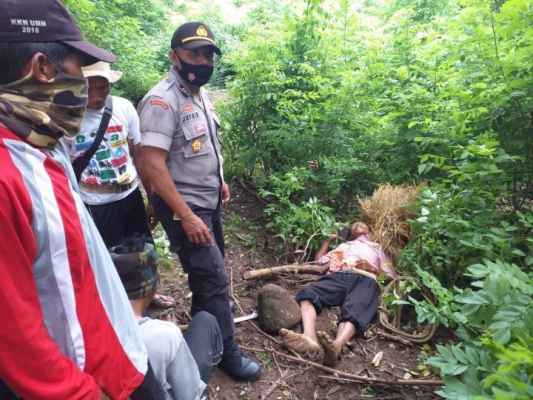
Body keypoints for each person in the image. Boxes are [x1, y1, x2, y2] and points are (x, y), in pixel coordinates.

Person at [0, 1, 165, 398]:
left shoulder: (40, 144)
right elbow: (16, 335)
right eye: (78, 67)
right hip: (83, 379)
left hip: (112, 351)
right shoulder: (8, 176)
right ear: (43, 68)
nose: (85, 86)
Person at [138, 22, 261, 381]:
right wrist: (186, 215)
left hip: (207, 202)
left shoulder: (198, 93)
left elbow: (200, 146)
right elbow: (152, 163)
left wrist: (220, 180)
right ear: (174, 56)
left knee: (208, 277)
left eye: (208, 54)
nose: (203, 61)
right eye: (195, 53)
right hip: (186, 209)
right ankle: (226, 353)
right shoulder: (162, 100)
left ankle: (202, 337)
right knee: (215, 280)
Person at [111, 237, 224, 400]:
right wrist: (173, 336)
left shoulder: (91, 328)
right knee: (205, 320)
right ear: (154, 285)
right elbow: (188, 395)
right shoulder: (164, 335)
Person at [280, 222, 398, 367]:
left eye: (361, 223)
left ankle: (337, 346)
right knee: (308, 293)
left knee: (355, 308)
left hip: (366, 278)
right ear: (351, 233)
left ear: (370, 230)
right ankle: (309, 337)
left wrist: (373, 268)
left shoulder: (377, 248)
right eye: (353, 225)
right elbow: (319, 262)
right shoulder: (344, 246)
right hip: (340, 275)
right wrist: (326, 241)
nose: (357, 224)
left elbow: (391, 276)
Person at [64, 61, 152, 248]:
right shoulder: (67, 118)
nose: (96, 96)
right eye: (89, 89)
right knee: (106, 256)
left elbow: (138, 154)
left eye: (102, 88)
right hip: (93, 203)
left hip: (130, 196)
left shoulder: (123, 108)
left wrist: (152, 197)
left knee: (142, 253)